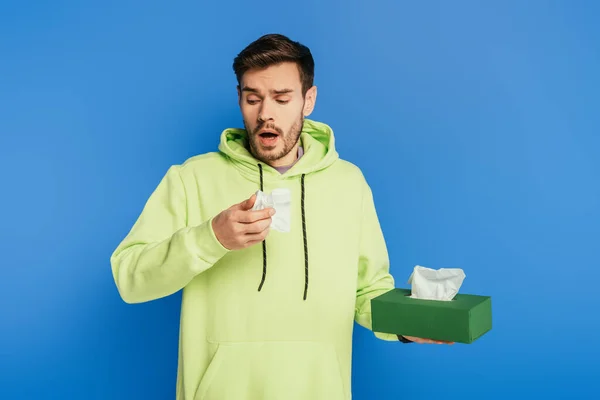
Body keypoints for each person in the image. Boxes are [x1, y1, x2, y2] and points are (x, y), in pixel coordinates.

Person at [110, 33, 450, 400]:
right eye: (252, 98)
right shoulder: (191, 178)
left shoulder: (349, 183)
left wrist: (409, 324)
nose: (265, 113)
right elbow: (130, 278)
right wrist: (211, 237)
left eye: (282, 98)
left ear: (309, 100)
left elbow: (367, 290)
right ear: (239, 99)